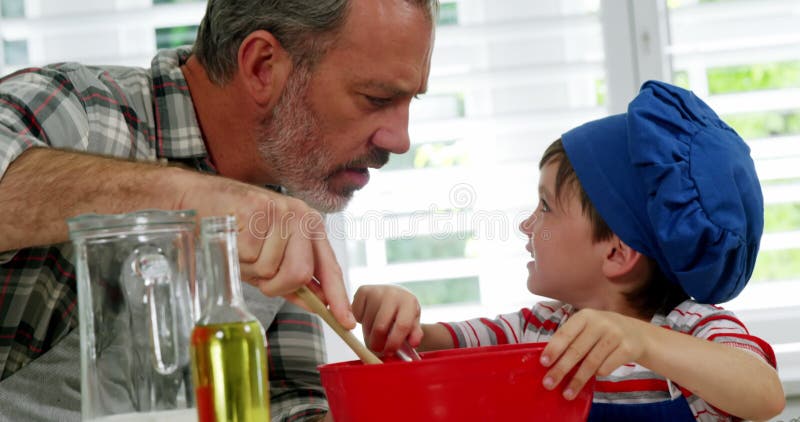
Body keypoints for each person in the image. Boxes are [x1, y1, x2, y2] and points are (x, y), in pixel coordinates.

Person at [0, 0, 437, 420]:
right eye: (376, 98)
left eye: (409, 101)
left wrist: (379, 402)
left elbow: (285, 404)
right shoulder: (81, 110)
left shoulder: (291, 191)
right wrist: (183, 200)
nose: (400, 141)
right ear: (262, 66)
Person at [352, 81, 786, 421]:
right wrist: (398, 321)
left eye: (545, 207)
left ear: (616, 252)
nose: (526, 223)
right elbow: (427, 351)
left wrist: (641, 341)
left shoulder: (694, 329)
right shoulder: (537, 328)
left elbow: (765, 395)